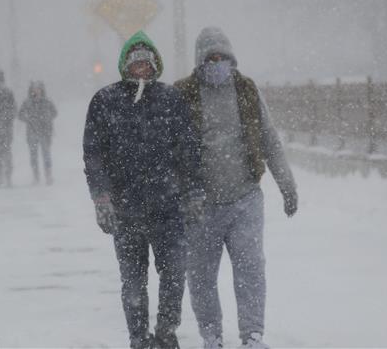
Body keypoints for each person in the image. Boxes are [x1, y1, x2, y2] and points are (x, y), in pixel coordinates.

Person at [174, 27, 299, 349]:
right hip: (200, 205)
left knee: (251, 271)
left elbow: (269, 139)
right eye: (210, 58)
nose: (216, 63)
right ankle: (212, 335)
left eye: (222, 57)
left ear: (231, 59)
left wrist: (287, 185)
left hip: (244, 199)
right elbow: (167, 148)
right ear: (199, 61)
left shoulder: (246, 90)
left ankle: (252, 335)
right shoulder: (182, 94)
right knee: (201, 277)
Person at [83, 31, 204, 349]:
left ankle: (166, 332)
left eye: (147, 62)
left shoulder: (171, 99)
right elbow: (94, 154)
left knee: (175, 272)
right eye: (135, 63)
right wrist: (101, 197)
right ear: (125, 65)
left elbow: (188, 150)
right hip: (125, 210)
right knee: (134, 281)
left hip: (168, 206)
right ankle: (138, 337)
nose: (141, 68)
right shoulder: (105, 101)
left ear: (156, 65)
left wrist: (192, 193)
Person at [18, 80, 58, 185]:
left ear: (42, 90)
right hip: (32, 132)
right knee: (33, 155)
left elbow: (54, 112)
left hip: (45, 132)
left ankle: (48, 175)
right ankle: (36, 177)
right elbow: (20, 115)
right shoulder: (27, 102)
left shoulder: (47, 101)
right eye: (34, 89)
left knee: (46, 155)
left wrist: (47, 118)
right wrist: (28, 119)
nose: (36, 91)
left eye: (38, 89)